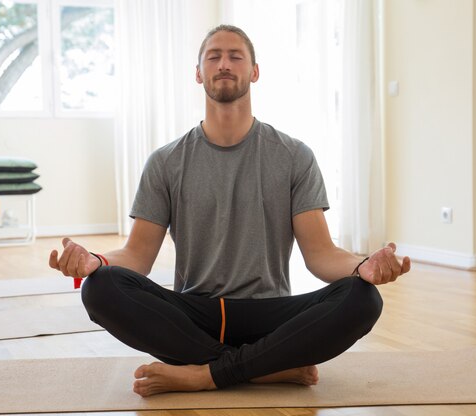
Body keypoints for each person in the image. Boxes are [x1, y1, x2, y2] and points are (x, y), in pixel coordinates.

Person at [49, 24, 410, 397]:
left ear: (254, 71)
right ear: (198, 73)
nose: (224, 64)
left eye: (236, 56)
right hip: (194, 315)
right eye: (213, 56)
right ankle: (265, 368)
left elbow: (320, 255)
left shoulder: (294, 156)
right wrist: (95, 261)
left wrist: (362, 266)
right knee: (100, 288)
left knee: (363, 298)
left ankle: (203, 375)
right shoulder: (165, 162)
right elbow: (137, 256)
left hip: (271, 317)